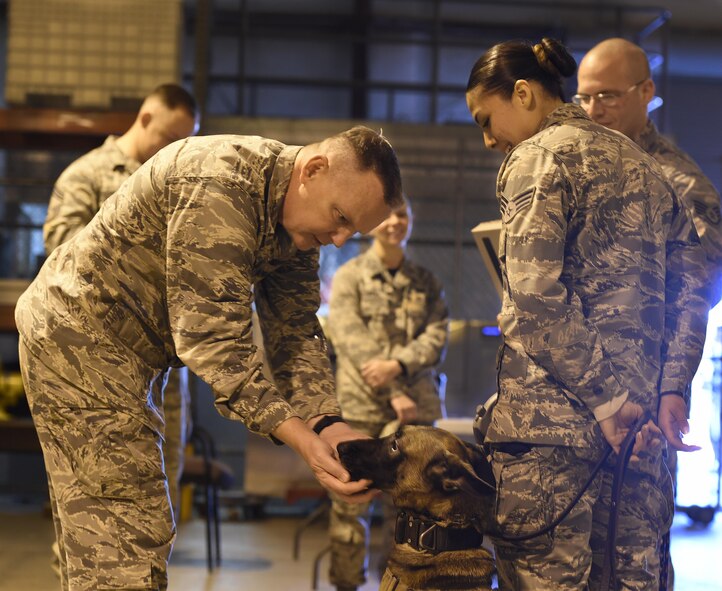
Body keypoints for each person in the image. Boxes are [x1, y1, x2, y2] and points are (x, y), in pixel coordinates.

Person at [15, 125, 402, 591]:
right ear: (313, 170)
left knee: (116, 531)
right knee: (125, 532)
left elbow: (295, 328)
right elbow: (214, 341)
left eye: (351, 231)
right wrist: (301, 438)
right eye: (339, 217)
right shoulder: (221, 183)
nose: (339, 239)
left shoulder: (297, 224)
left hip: (127, 355)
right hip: (80, 339)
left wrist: (325, 421)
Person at [465, 38, 709, 590]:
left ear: (523, 94)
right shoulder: (646, 166)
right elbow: (693, 290)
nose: (487, 140)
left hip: (551, 444)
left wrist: (607, 400)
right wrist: (669, 389)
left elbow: (532, 302)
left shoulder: (536, 157)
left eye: (487, 118)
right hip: (639, 442)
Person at [576, 40, 722, 588]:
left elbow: (696, 295)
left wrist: (670, 389)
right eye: (584, 98)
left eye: (607, 97)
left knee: (636, 562)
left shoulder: (679, 185)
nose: (593, 112)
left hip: (643, 407)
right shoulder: (586, 171)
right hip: (584, 400)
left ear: (646, 93)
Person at [43, 82, 200, 520]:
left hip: (162, 366)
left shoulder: (177, 186)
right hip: (96, 366)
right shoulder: (86, 175)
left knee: (160, 494)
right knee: (89, 505)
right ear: (145, 118)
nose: (173, 149)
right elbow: (61, 250)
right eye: (169, 139)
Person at [326, 196, 449, 591]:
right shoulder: (350, 277)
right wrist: (395, 387)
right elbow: (351, 339)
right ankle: (348, 584)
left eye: (402, 214)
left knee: (411, 507)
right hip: (362, 408)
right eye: (388, 214)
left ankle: (397, 584)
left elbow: (436, 337)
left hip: (416, 412)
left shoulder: (426, 282)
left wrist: (398, 366)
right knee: (351, 504)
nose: (394, 222)